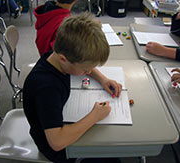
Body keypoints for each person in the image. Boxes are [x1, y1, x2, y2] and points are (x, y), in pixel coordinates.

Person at [23, 13, 122, 163]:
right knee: (110, 156)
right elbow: (56, 143)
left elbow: (80, 63)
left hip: (58, 118)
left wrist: (103, 79)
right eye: (85, 70)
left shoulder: (56, 56)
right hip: (59, 148)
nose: (88, 73)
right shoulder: (47, 88)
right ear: (63, 59)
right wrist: (94, 116)